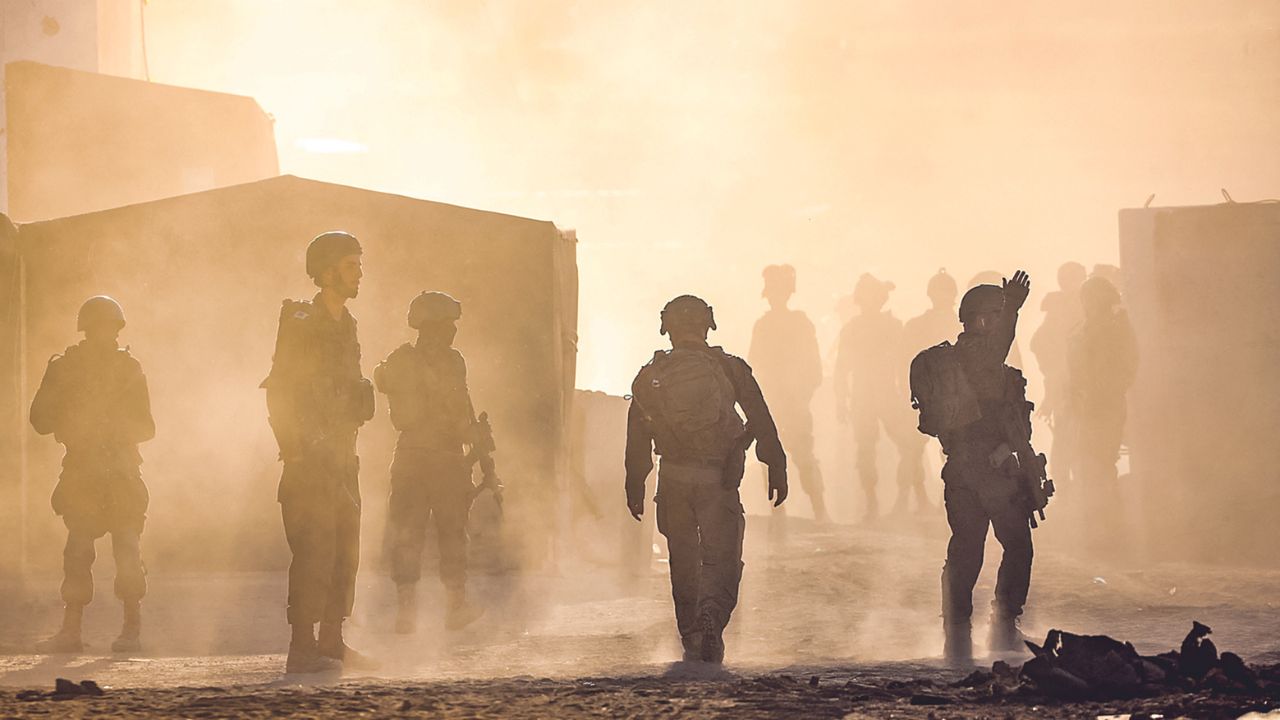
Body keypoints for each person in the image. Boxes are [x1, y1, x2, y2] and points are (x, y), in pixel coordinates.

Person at [625, 295, 787, 664]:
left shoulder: (651, 376)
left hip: (674, 480)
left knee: (683, 558)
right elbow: (760, 417)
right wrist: (775, 463)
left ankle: (691, 633)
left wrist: (635, 482)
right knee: (722, 557)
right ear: (707, 324)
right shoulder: (729, 369)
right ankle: (711, 617)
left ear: (667, 328)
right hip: (716, 479)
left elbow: (638, 434)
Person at [262, 231, 376, 674]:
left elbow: (348, 390)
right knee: (314, 551)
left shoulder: (346, 325)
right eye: (352, 266)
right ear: (327, 272)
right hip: (310, 461)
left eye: (359, 265)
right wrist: (298, 450)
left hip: (344, 459)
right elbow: (280, 393)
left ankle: (332, 640)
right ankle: (302, 647)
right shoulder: (303, 323)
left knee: (346, 550)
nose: (360, 274)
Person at [909, 271, 1035, 664]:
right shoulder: (981, 358)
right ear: (982, 321)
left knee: (965, 550)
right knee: (1016, 545)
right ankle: (1002, 626)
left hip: (960, 469)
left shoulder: (952, 362)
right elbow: (999, 344)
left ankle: (957, 633)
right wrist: (1013, 305)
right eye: (995, 316)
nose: (1000, 323)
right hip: (990, 471)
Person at [29, 296, 154, 654]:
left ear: (117, 330)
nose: (104, 335)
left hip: (120, 470)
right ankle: (72, 629)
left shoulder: (128, 368)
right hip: (83, 470)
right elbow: (39, 420)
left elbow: (146, 426)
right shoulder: (64, 368)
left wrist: (110, 428)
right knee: (78, 551)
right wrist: (70, 415)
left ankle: (131, 627)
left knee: (127, 550)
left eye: (109, 328)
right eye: (99, 327)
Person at [374, 291, 494, 634]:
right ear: (436, 326)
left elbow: (384, 385)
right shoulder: (451, 361)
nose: (453, 330)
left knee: (407, 532)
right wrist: (476, 438)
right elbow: (460, 410)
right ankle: (455, 607)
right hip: (444, 458)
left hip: (409, 456)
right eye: (448, 324)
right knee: (452, 534)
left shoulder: (398, 360)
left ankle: (406, 613)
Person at [834, 274, 923, 518]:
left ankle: (904, 498)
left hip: (886, 393)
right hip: (865, 396)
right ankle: (873, 502)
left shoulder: (892, 327)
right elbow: (841, 368)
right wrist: (841, 400)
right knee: (866, 450)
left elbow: (905, 363)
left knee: (909, 444)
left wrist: (910, 394)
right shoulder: (853, 329)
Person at [747, 264, 828, 523]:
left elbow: (813, 364)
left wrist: (801, 393)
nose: (775, 297)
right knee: (769, 455)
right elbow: (753, 366)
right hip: (772, 402)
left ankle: (819, 510)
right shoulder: (763, 326)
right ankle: (778, 512)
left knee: (804, 456)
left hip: (793, 401)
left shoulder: (800, 323)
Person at [1066, 276, 1137, 553]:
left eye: (1093, 297)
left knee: (1103, 466)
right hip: (1085, 407)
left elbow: (1128, 365)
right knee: (1086, 466)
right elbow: (1074, 368)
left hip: (1106, 406)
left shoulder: (1117, 328)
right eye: (1086, 297)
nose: (1088, 302)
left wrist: (1107, 390)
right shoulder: (1080, 329)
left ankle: (1112, 532)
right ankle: (1093, 530)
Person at [1030, 262, 1087, 486]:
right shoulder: (1060, 309)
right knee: (1066, 436)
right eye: (1071, 278)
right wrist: (1054, 371)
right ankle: (1065, 487)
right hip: (1066, 385)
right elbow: (1039, 343)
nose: (1074, 283)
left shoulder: (1086, 304)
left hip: (1080, 382)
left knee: (1076, 437)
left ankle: (1076, 487)